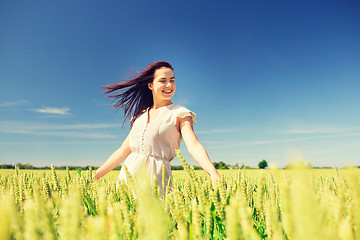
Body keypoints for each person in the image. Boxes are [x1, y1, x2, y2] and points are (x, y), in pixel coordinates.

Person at [94, 60, 220, 191]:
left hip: (157, 182)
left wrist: (213, 173)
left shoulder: (180, 113)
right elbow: (122, 151)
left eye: (172, 80)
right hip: (127, 181)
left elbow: (193, 145)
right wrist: (95, 176)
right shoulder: (139, 117)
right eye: (163, 80)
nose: (169, 85)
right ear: (150, 85)